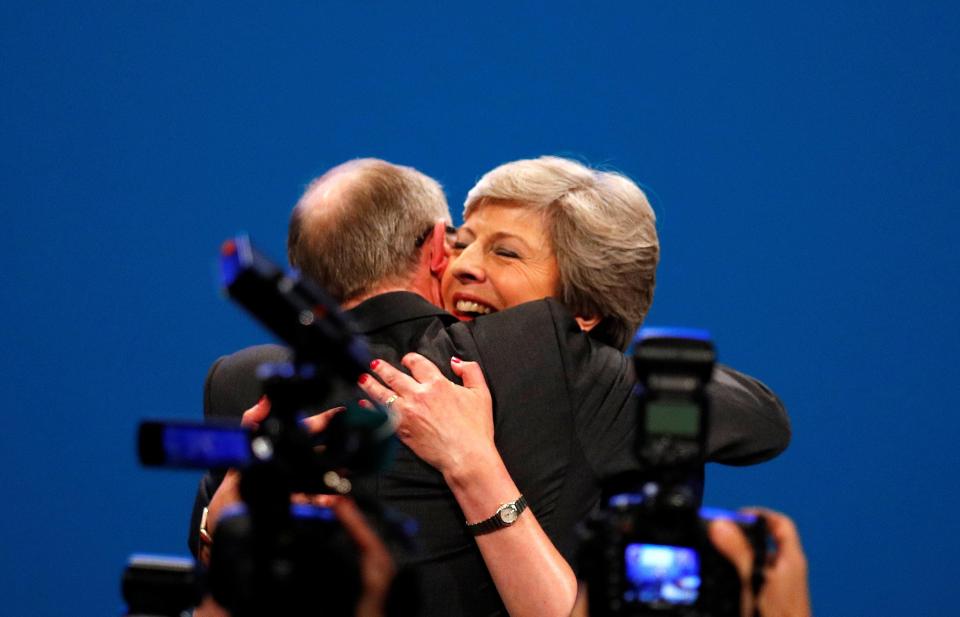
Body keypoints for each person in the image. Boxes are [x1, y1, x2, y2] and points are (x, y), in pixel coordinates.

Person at [191, 157, 790, 617]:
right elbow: (762, 420)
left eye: (504, 252)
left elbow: (757, 417)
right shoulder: (492, 368)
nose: (464, 266)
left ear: (582, 309)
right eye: (461, 243)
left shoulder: (246, 377)